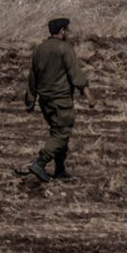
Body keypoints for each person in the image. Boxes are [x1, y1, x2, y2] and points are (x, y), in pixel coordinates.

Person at [18, 17, 91, 183]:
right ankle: (40, 164)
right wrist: (89, 96)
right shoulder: (64, 48)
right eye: (67, 30)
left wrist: (30, 100)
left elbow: (32, 77)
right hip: (61, 100)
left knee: (57, 131)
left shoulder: (39, 49)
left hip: (45, 101)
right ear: (62, 31)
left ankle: (60, 169)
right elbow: (76, 76)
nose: (68, 33)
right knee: (62, 133)